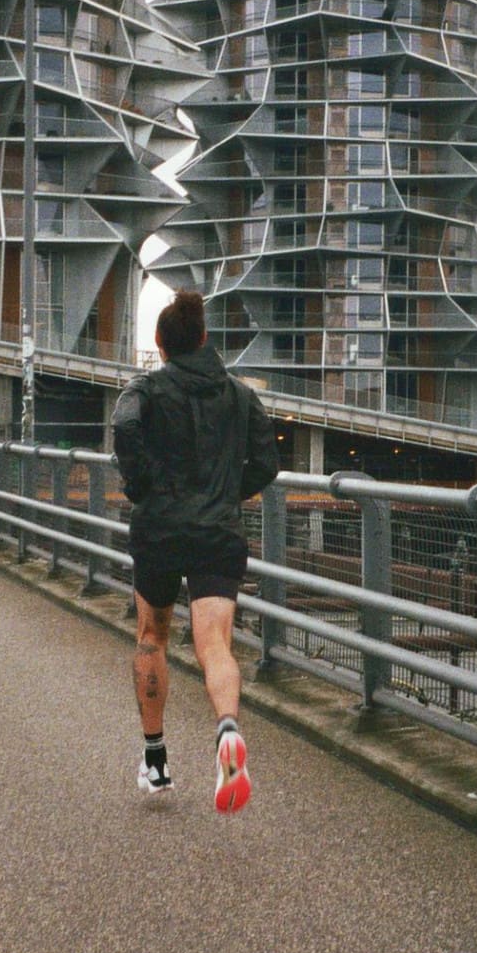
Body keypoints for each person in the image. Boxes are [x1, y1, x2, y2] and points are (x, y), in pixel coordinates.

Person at [112, 289, 278, 813]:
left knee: (151, 637)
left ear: (160, 344)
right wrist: (228, 492)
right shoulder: (240, 395)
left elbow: (124, 428)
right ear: (204, 339)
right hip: (217, 533)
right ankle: (227, 732)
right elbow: (267, 463)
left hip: (160, 530)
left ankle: (157, 762)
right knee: (214, 644)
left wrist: (143, 487)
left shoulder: (145, 390)